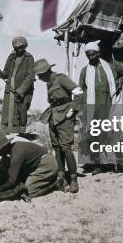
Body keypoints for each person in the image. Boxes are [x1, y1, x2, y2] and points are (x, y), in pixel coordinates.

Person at [34, 58, 84, 193]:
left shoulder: (61, 78)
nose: (39, 78)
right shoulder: (48, 83)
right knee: (57, 148)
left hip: (65, 116)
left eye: (39, 75)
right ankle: (60, 177)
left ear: (45, 72)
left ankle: (73, 180)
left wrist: (73, 110)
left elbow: (79, 92)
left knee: (66, 148)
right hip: (53, 116)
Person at [78, 41, 119, 175]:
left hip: (107, 106)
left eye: (93, 55)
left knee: (109, 134)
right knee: (93, 135)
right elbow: (81, 90)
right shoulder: (84, 71)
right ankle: (97, 165)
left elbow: (115, 83)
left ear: (98, 53)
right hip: (92, 108)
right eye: (88, 55)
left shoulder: (108, 68)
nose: (91, 57)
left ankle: (114, 163)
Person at [0, 132, 59, 198]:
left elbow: (11, 180)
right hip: (37, 164)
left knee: (27, 192)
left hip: (47, 164)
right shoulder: (11, 150)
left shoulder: (17, 153)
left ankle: (55, 184)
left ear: (5, 147)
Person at [0, 36, 35, 133]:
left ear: (25, 46)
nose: (19, 49)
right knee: (7, 115)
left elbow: (30, 77)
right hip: (10, 91)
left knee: (20, 115)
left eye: (21, 47)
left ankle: (20, 136)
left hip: (22, 92)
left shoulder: (29, 58)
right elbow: (6, 73)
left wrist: (21, 90)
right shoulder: (11, 57)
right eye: (16, 48)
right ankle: (7, 134)